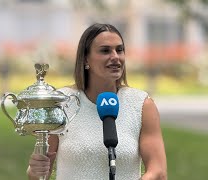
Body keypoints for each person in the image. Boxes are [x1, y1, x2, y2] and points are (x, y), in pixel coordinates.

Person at [26, 23, 167, 180]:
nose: (115, 57)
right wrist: (35, 171)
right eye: (105, 51)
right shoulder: (60, 102)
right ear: (86, 58)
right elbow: (39, 173)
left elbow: (157, 171)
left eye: (119, 50)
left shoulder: (141, 105)